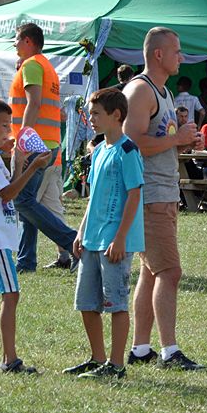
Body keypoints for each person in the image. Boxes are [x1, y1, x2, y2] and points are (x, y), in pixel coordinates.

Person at [123, 26, 204, 370]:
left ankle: (141, 348)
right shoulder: (140, 91)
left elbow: (159, 138)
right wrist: (175, 141)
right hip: (150, 194)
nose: (181, 57)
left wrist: (183, 140)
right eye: (176, 51)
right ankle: (170, 351)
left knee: (151, 272)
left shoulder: (164, 93)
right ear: (158, 54)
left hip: (164, 191)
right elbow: (131, 142)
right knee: (170, 271)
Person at [63, 88, 144, 380]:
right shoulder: (98, 152)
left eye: (96, 113)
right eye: (90, 113)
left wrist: (121, 237)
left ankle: (116, 364)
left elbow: (135, 194)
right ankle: (97, 357)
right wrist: (81, 230)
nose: (91, 119)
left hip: (113, 242)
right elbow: (94, 196)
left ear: (116, 115)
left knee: (116, 303)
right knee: (87, 302)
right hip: (91, 239)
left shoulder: (127, 150)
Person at [0, 98, 52, 373]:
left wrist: (19, 162)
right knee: (10, 294)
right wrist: (33, 168)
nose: (8, 130)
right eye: (3, 125)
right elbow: (7, 193)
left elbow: (9, 184)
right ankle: (10, 359)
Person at [9, 22, 78, 273]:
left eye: (16, 39)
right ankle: (26, 262)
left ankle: (73, 243)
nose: (14, 44)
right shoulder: (46, 66)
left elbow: (34, 103)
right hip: (49, 143)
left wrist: (23, 139)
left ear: (28, 41)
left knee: (23, 201)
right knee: (30, 203)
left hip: (35, 144)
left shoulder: (31, 66)